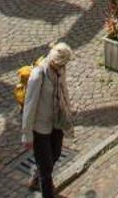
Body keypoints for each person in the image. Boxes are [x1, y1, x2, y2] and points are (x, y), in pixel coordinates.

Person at [19, 42, 73, 196]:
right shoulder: (38, 75)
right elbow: (29, 107)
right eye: (62, 64)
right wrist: (27, 135)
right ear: (54, 61)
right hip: (40, 128)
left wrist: (68, 110)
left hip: (56, 122)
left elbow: (64, 90)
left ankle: (35, 178)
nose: (64, 67)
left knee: (55, 154)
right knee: (46, 167)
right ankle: (47, 191)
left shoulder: (60, 70)